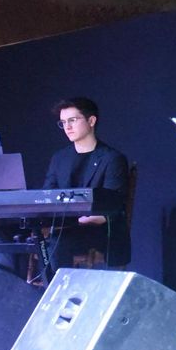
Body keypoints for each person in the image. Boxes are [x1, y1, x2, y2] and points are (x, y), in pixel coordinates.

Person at [41, 96, 131, 270]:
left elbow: (114, 205)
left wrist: (81, 221)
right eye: (63, 122)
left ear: (91, 120)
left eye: (72, 120)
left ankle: (58, 291)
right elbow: (48, 194)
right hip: (63, 226)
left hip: (98, 231)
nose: (67, 127)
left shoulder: (112, 158)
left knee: (58, 241)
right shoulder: (60, 158)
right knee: (7, 235)